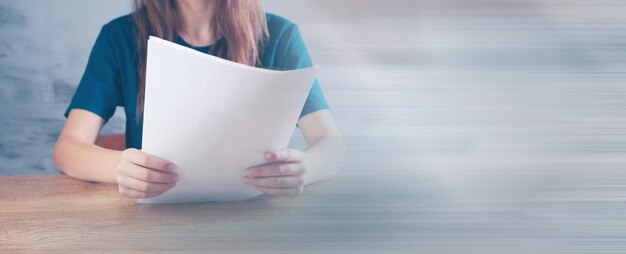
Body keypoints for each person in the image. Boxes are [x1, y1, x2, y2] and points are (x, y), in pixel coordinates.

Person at [54, 0, 345, 199]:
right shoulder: (119, 37)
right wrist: (119, 169)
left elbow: (332, 145)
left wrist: (305, 170)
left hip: (254, 215)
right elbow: (68, 149)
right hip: (154, 218)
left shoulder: (280, 35)